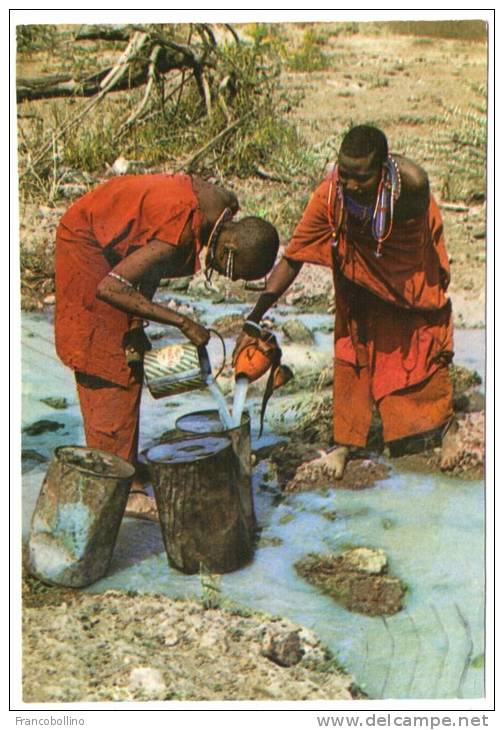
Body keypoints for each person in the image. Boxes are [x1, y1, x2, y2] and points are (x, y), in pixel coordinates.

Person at [234, 125, 459, 478]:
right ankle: (344, 443)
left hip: (408, 275)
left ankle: (447, 428)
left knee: (422, 344)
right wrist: (254, 317)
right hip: (358, 286)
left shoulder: (411, 186)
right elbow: (293, 258)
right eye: (345, 173)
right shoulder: (330, 196)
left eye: (361, 177)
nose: (350, 185)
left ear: (383, 169)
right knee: (352, 353)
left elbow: (412, 237)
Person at [55, 172, 279, 519]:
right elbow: (110, 289)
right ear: (229, 248)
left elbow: (147, 252)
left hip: (116, 244)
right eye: (231, 271)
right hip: (89, 245)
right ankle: (122, 488)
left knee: (130, 353)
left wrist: (136, 322)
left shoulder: (220, 209)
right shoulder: (178, 231)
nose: (225, 277)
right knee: (107, 362)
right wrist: (182, 322)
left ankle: (124, 464)